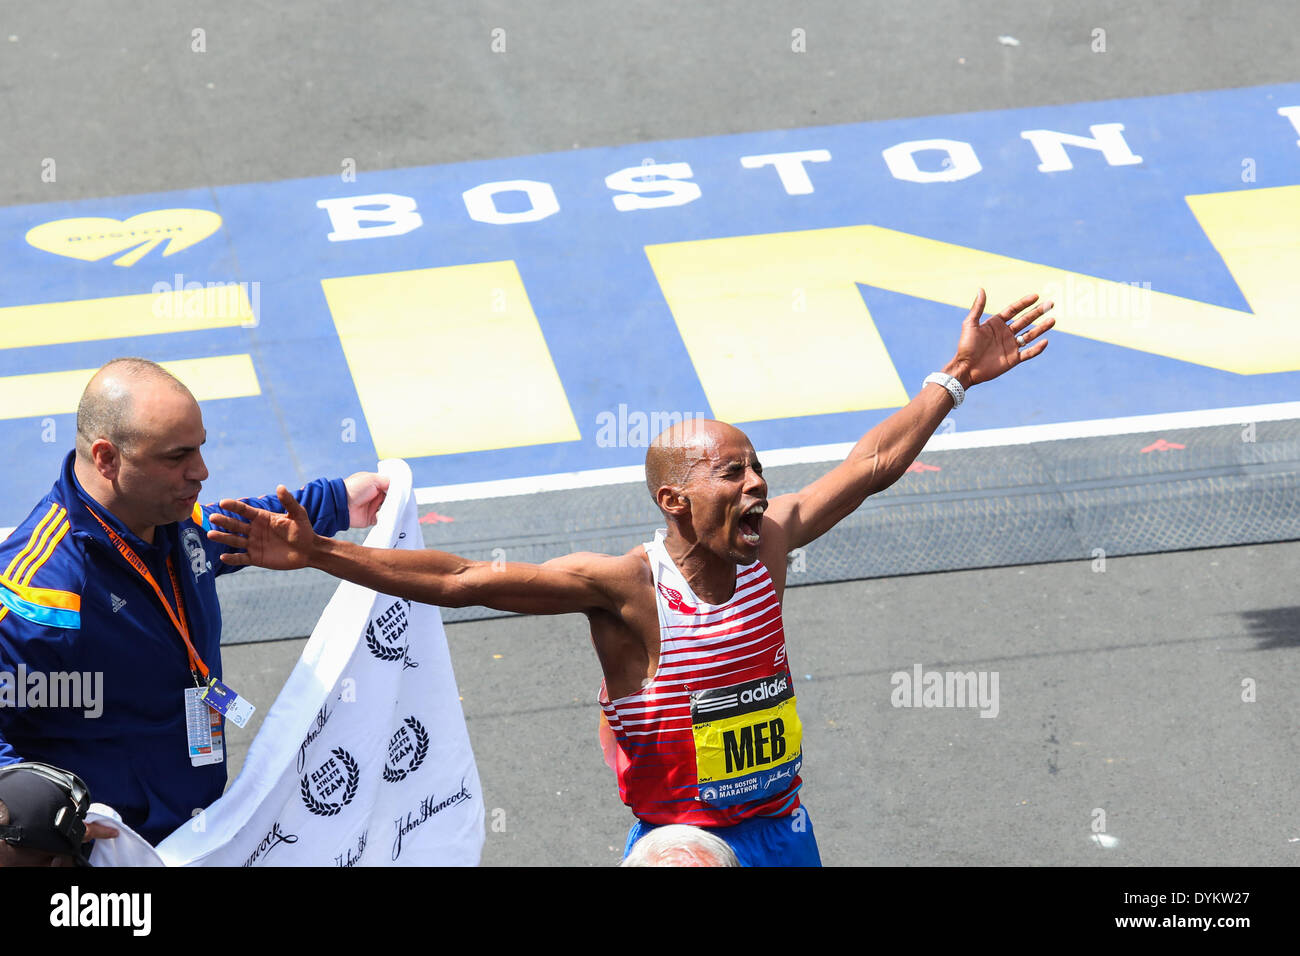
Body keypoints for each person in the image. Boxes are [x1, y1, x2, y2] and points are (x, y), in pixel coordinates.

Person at [207, 289, 1053, 866]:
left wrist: (953, 379)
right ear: (674, 499)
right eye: (733, 473)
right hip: (682, 840)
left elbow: (869, 465)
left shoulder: (771, 546)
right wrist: (321, 552)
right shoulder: (625, 591)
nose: (757, 484)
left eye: (757, 467)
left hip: (784, 830)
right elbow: (464, 577)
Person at [0, 357, 389, 849]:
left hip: (198, 829)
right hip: (114, 855)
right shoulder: (40, 593)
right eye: (177, 456)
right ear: (107, 458)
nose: (201, 472)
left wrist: (339, 501)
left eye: (200, 449)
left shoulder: (173, 522)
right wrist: (42, 811)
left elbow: (243, 523)